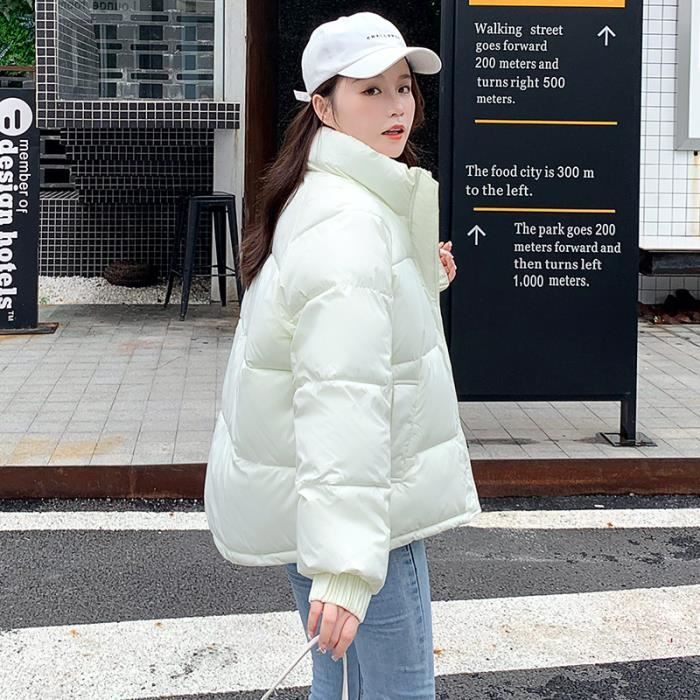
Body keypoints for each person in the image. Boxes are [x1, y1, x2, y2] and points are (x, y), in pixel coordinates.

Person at [204, 11, 482, 699]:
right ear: (323, 106)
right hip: (360, 518)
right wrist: (348, 568)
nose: (397, 106)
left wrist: (416, 277)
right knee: (394, 690)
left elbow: (348, 338)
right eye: (371, 90)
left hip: (328, 507)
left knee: (344, 684)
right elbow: (343, 395)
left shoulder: (329, 193)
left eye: (403, 87)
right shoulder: (350, 225)